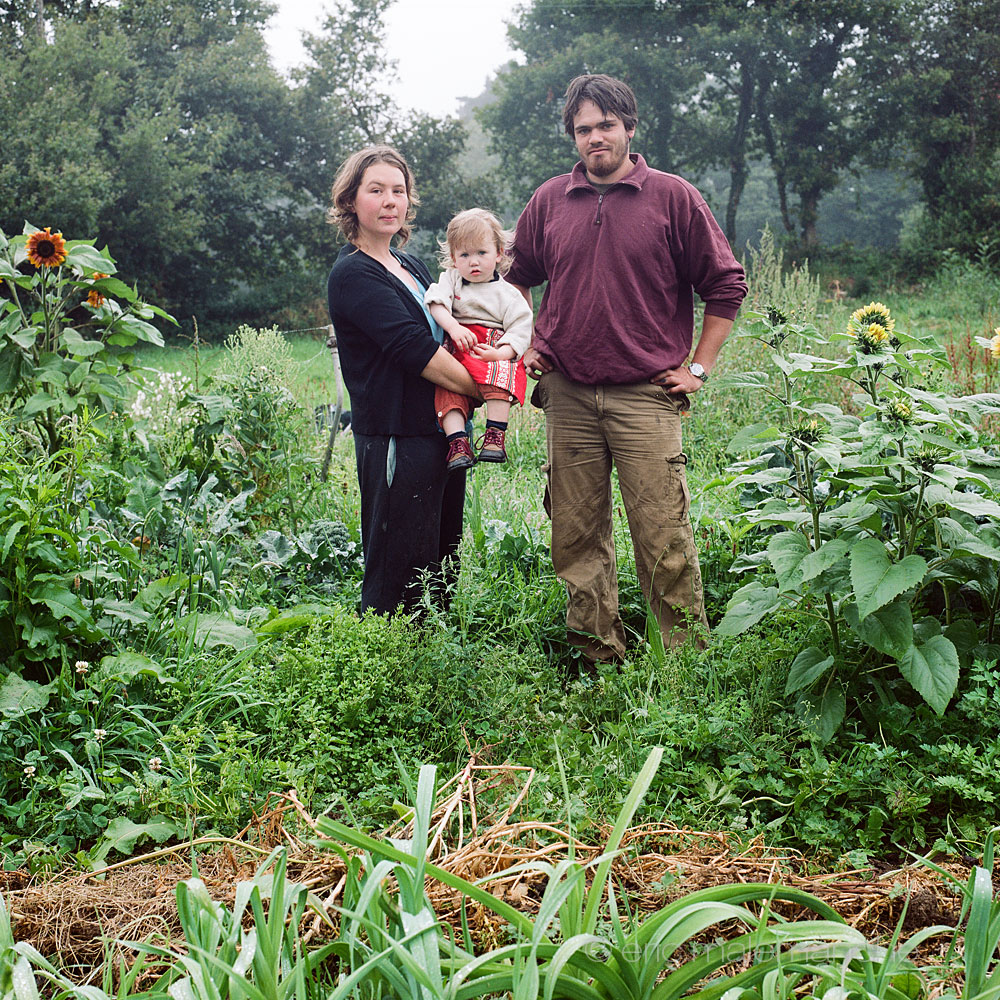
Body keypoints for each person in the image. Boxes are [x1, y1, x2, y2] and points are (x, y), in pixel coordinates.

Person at [507, 74, 748, 664]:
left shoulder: (672, 196)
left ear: (630, 128)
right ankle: (597, 658)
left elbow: (725, 286)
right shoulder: (548, 201)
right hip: (566, 393)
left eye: (606, 126)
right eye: (583, 129)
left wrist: (699, 368)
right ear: (573, 136)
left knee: (664, 536)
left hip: (647, 393)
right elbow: (511, 282)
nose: (595, 138)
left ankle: (686, 663)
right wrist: (524, 345)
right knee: (576, 536)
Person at [326, 145, 480, 616]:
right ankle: (389, 662)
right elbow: (418, 352)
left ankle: (431, 660)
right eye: (376, 190)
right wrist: (490, 388)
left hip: (441, 431)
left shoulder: (410, 265)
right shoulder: (353, 274)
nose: (391, 200)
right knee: (399, 563)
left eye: (399, 190)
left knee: (440, 556)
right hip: (397, 436)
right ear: (351, 201)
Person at [424, 208, 533, 470]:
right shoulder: (451, 280)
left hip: (491, 346)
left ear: (498, 254)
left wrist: (502, 352)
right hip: (459, 344)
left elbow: (521, 327)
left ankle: (495, 436)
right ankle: (457, 442)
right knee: (446, 390)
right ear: (453, 258)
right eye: (464, 255)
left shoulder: (508, 294)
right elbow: (435, 302)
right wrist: (453, 327)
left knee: (503, 373)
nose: (473, 262)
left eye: (481, 253)